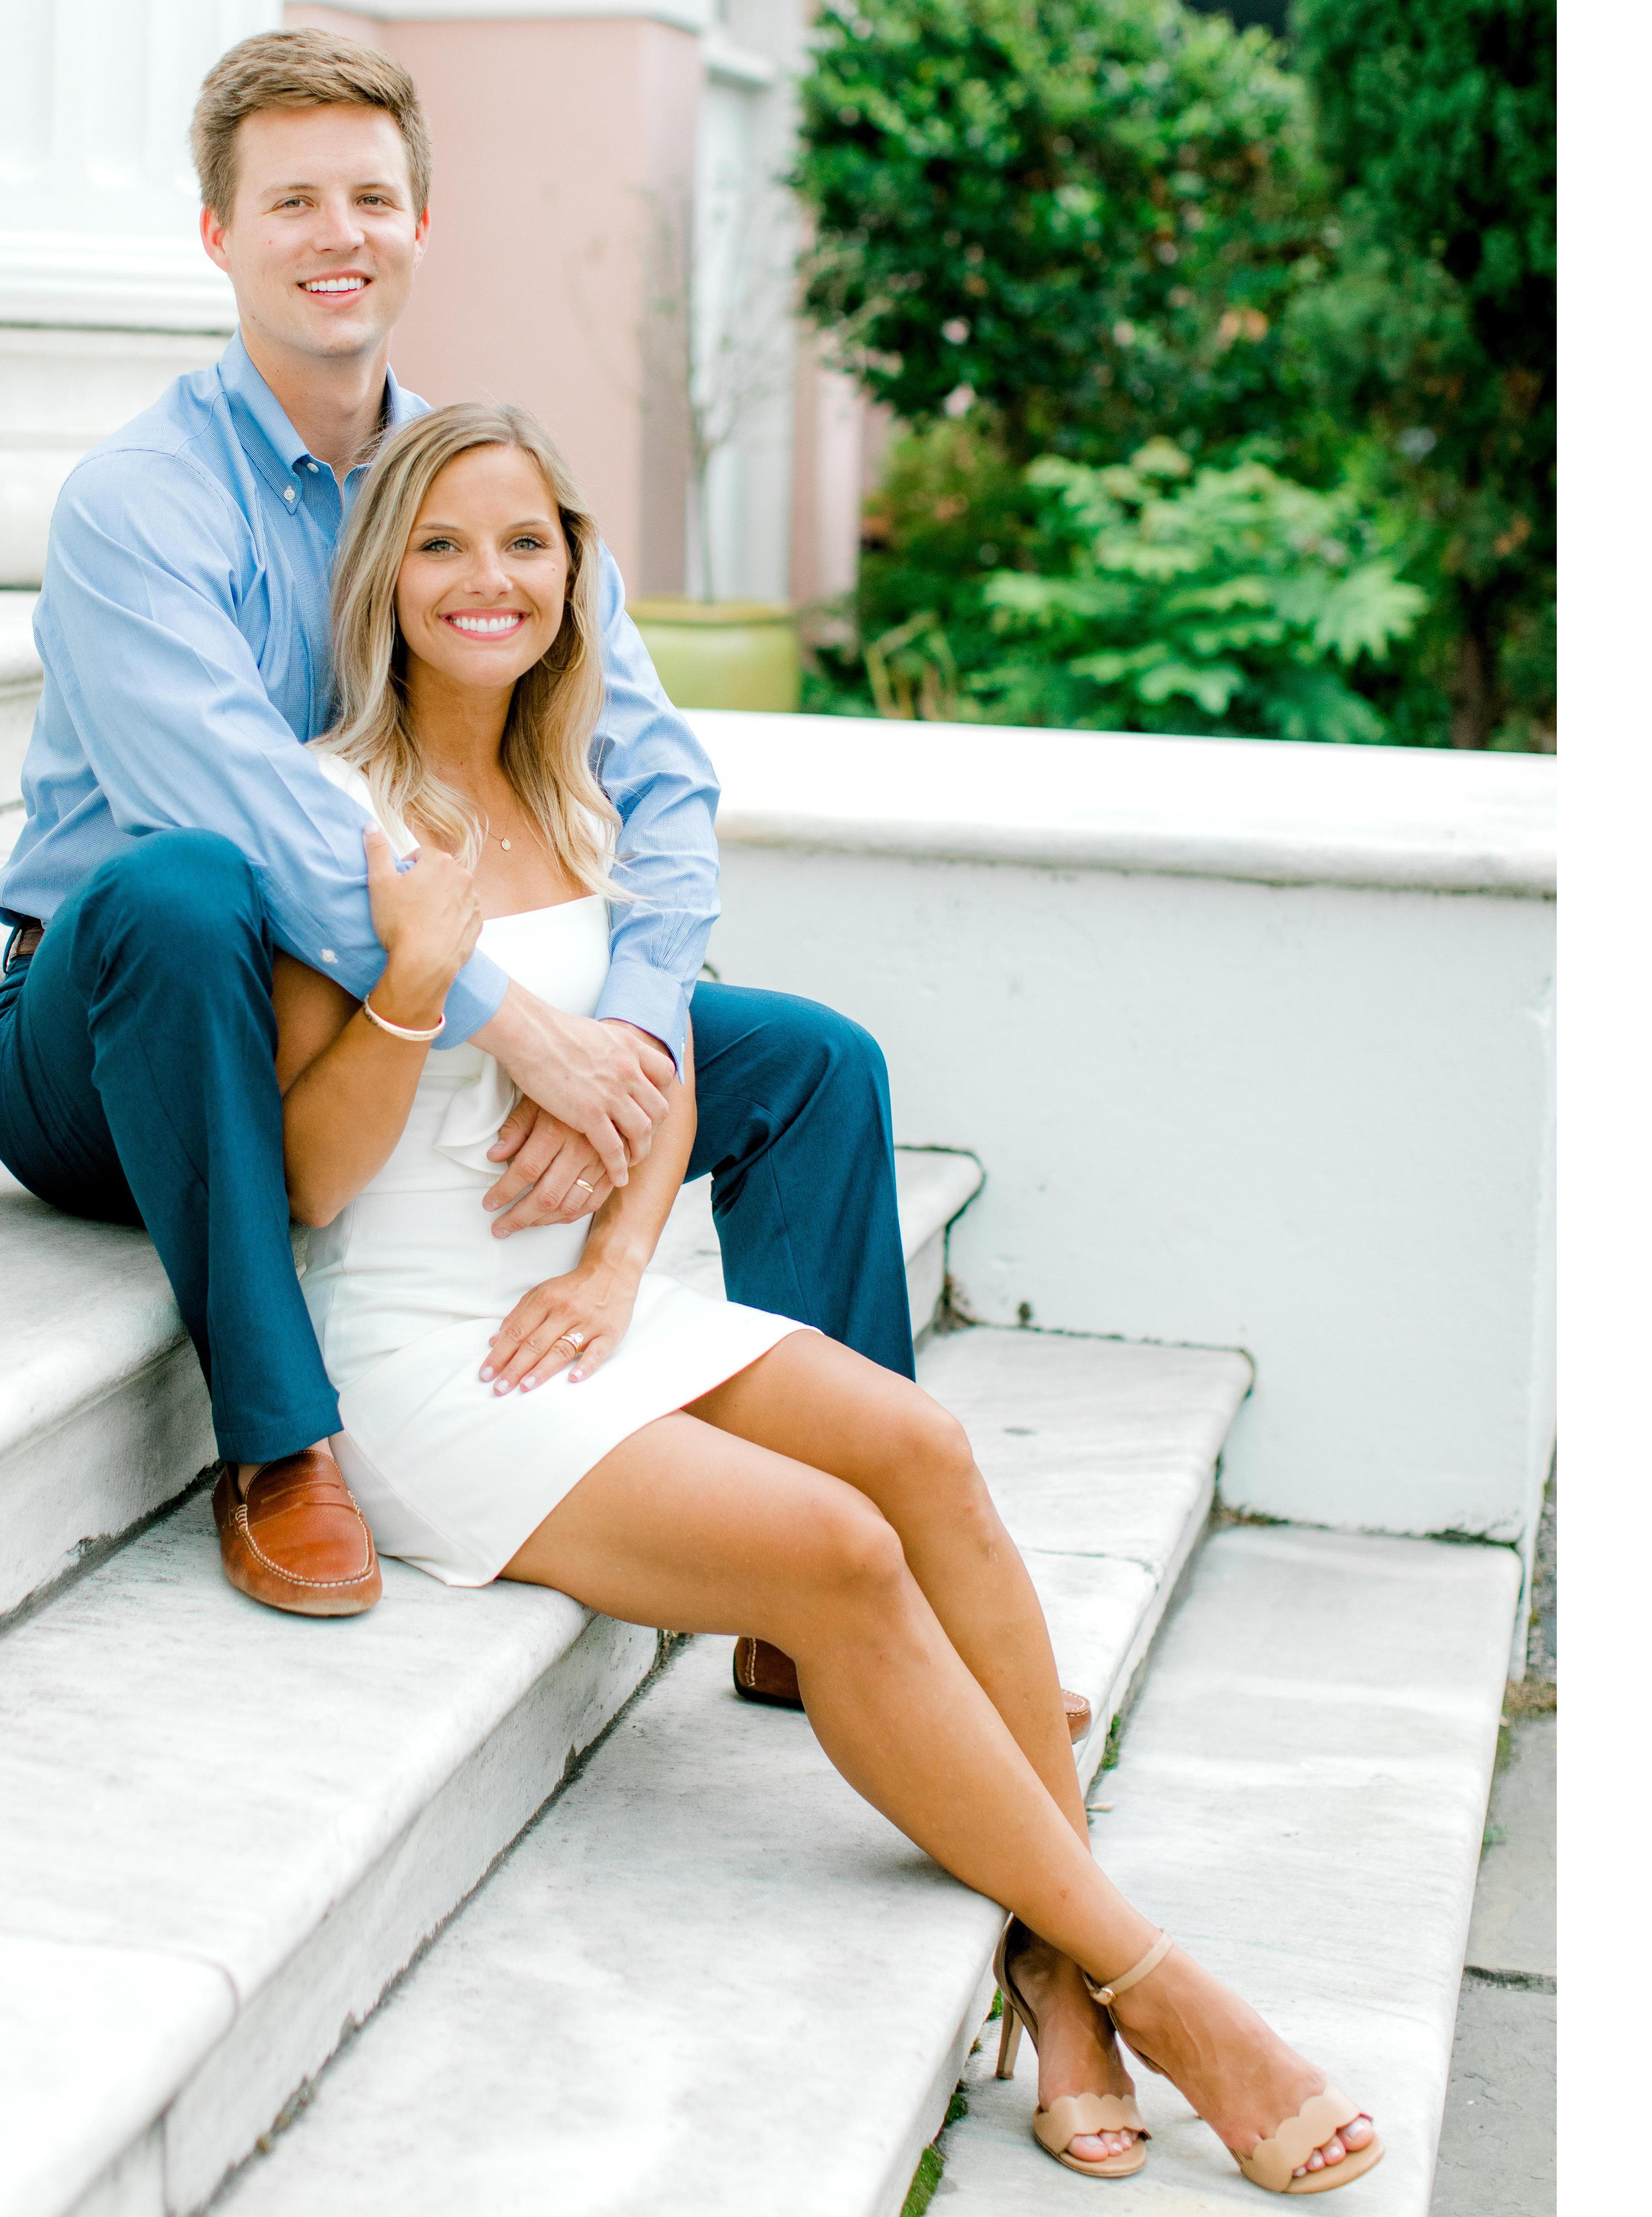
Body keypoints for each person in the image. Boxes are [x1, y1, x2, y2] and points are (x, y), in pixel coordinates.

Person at [270, 397, 1385, 2196]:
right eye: (443, 545)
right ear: (383, 577)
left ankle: (1049, 1956)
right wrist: (416, 980)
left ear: (577, 572)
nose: (490, 580)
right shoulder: (332, 808)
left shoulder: (577, 790)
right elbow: (313, 1175)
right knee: (840, 1552)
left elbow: (665, 1052)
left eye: (528, 543)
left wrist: (627, 1253)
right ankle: (1155, 1985)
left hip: (591, 1299)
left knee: (922, 1449)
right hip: (432, 1346)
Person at [0, 25, 913, 1646]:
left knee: (815, 1067)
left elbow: (662, 785)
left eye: (373, 199)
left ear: (421, 226)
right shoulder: (139, 504)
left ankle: (841, 1586)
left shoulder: (482, 484)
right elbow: (251, 818)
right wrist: (515, 1028)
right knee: (185, 892)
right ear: (219, 236)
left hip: (387, 1028)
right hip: (123, 1030)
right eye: (291, 204)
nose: (339, 235)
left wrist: (625, 1027)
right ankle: (278, 1444)